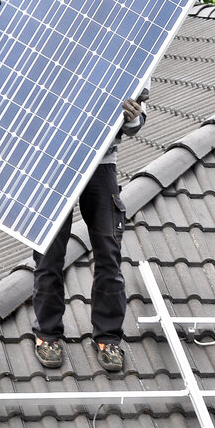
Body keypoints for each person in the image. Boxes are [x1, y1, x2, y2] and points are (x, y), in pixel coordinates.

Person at [32, 84, 148, 373]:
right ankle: (48, 334)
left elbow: (137, 117)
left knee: (109, 251)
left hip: (101, 164)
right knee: (49, 252)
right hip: (53, 160)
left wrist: (133, 117)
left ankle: (108, 337)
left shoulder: (132, 49)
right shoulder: (46, 42)